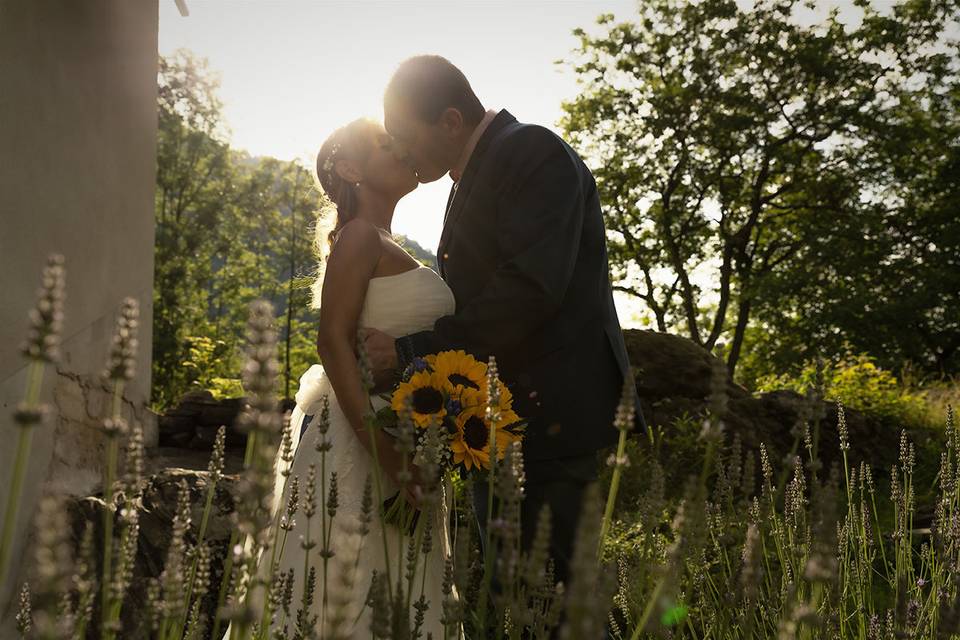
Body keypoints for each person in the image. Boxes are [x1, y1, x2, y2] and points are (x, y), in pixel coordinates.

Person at [361, 55, 646, 613]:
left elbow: (529, 289)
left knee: (562, 602)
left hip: (553, 421)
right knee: (522, 600)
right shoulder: (480, 171)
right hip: (508, 425)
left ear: (449, 121)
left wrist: (411, 352)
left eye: (403, 136)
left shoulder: (531, 151)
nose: (399, 151)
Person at [235, 117, 461, 638]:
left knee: (400, 596)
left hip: (410, 439)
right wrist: (390, 456)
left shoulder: (386, 242)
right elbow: (332, 342)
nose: (402, 147)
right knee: (349, 596)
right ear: (350, 168)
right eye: (387, 143)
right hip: (367, 447)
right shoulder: (359, 237)